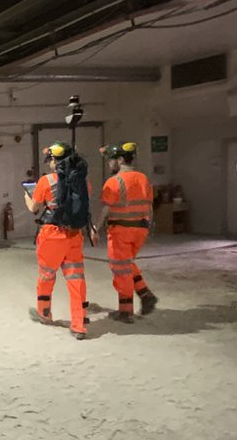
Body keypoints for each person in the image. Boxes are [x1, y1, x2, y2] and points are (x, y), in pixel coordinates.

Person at [24, 142, 93, 340]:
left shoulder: (46, 181)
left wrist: (27, 197)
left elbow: (33, 208)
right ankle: (79, 325)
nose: (49, 164)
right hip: (74, 234)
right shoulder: (82, 182)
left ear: (55, 161)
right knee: (76, 279)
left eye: (50, 160)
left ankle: (45, 313)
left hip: (52, 234)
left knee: (46, 275)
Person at [97, 142, 158, 323]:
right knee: (127, 264)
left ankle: (126, 311)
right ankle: (145, 295)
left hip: (121, 230)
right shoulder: (143, 178)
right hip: (140, 229)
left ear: (121, 160)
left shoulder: (114, 181)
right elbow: (149, 205)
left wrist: (96, 227)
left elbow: (106, 209)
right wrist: (150, 226)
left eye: (111, 160)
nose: (109, 164)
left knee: (120, 269)